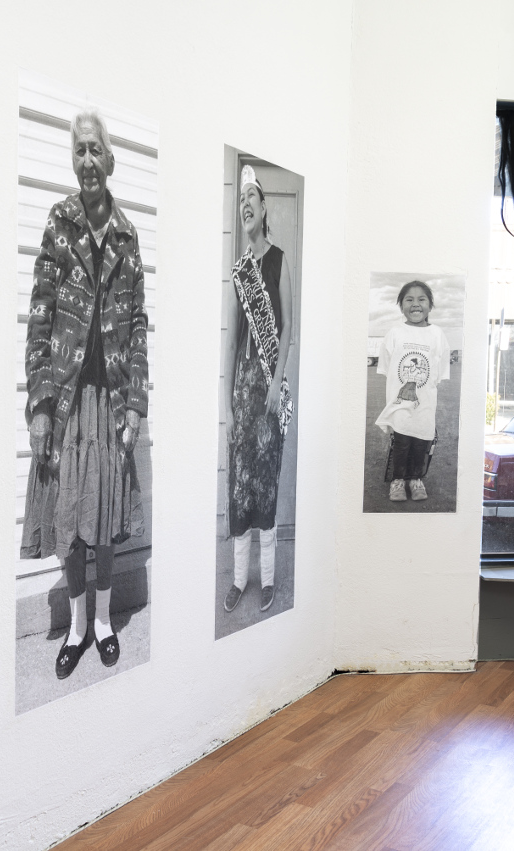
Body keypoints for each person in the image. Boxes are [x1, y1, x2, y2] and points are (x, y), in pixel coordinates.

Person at [22, 109, 148, 680]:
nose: (88, 162)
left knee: (102, 520)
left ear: (111, 159)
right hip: (68, 398)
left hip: (111, 395)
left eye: (96, 150)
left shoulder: (126, 233)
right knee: (72, 520)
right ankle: (76, 628)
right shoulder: (59, 221)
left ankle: (101, 624)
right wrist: (41, 404)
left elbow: (139, 322)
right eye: (79, 153)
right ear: (72, 162)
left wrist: (136, 403)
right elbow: (40, 315)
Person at [222, 165, 294, 614]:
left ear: (264, 207)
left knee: (265, 483)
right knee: (239, 485)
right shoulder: (239, 272)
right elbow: (230, 340)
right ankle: (237, 580)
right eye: (241, 198)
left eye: (252, 196)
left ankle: (267, 581)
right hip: (241, 395)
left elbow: (288, 329)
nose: (245, 203)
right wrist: (225, 407)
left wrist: (275, 381)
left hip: (269, 390)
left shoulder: (280, 260)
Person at [375, 281, 450, 502]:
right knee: (401, 441)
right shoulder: (394, 333)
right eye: (409, 299)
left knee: (421, 442)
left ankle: (416, 480)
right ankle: (398, 481)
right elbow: (388, 369)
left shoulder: (437, 335)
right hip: (399, 402)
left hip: (425, 403)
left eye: (421, 299)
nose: (415, 304)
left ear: (430, 305)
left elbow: (439, 372)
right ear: (401, 306)